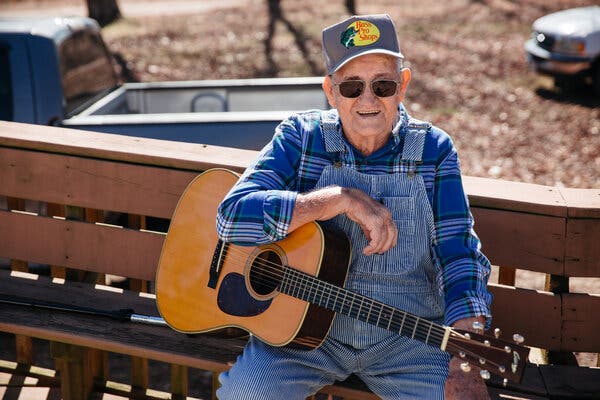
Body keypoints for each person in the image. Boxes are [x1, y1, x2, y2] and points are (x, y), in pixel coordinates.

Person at [215, 13, 492, 400]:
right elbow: (231, 216)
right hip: (304, 337)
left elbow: (458, 256)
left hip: (409, 341)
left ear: (403, 85)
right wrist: (334, 200)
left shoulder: (433, 150)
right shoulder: (301, 137)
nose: (367, 99)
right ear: (330, 91)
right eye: (350, 87)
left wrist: (467, 359)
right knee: (245, 395)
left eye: (382, 84)